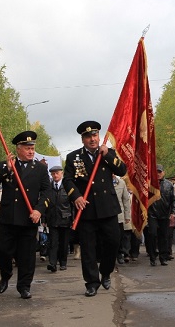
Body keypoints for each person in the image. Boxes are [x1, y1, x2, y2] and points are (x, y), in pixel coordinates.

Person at [64, 121, 127, 297]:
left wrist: (107, 156)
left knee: (113, 242)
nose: (92, 139)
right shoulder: (74, 157)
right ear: (82, 139)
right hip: (87, 209)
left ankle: (105, 271)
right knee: (88, 248)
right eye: (88, 136)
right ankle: (91, 282)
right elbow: (67, 180)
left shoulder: (108, 153)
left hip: (108, 207)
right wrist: (76, 196)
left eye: (95, 135)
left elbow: (122, 170)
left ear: (99, 136)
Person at [0, 130, 51, 299]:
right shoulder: (6, 165)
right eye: (27, 148)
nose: (31, 151)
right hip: (8, 218)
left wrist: (39, 209)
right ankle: (5, 274)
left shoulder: (40, 168)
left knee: (27, 256)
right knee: (3, 252)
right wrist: (7, 169)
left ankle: (24, 286)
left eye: (32, 148)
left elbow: (47, 192)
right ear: (18, 149)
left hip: (28, 218)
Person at [45, 166, 75, 272]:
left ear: (62, 173)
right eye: (53, 174)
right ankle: (52, 263)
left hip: (65, 218)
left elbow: (73, 204)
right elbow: (45, 203)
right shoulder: (49, 187)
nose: (55, 175)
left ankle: (63, 262)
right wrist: (44, 219)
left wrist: (73, 219)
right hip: (52, 218)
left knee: (64, 243)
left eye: (57, 173)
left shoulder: (67, 186)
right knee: (53, 242)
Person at [146, 164, 174, 266]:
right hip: (152, 214)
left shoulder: (169, 185)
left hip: (165, 214)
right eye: (156, 172)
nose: (158, 174)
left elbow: (173, 200)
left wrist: (173, 212)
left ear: (163, 173)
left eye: (160, 172)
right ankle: (152, 257)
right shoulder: (149, 184)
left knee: (164, 236)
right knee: (152, 235)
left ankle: (163, 257)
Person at [114, 174, 132, 264]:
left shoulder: (121, 183)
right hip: (107, 215)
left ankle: (119, 254)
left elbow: (125, 200)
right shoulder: (103, 182)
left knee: (119, 236)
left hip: (119, 215)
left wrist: (127, 216)